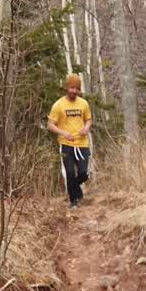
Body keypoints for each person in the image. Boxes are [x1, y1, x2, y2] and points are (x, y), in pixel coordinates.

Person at [47, 74, 93, 208]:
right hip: (66, 145)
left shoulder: (83, 103)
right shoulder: (58, 105)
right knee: (70, 173)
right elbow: (50, 125)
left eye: (77, 88)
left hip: (82, 143)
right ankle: (74, 201)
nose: (74, 91)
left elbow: (89, 120)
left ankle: (75, 187)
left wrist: (86, 128)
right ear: (67, 87)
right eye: (72, 87)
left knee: (84, 173)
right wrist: (64, 133)